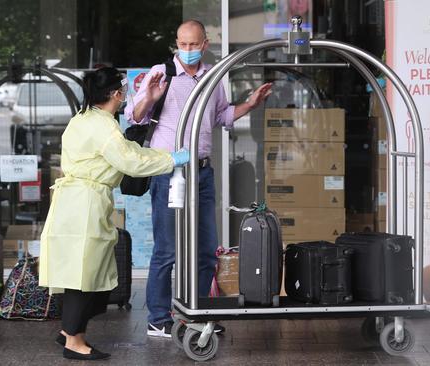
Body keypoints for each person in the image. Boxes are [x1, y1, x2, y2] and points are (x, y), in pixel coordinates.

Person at [123, 19, 273, 338]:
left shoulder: (212, 77)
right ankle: (158, 316)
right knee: (168, 249)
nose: (187, 51)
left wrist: (250, 104)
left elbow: (221, 115)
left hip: (202, 172)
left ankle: (199, 311)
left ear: (205, 44)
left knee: (206, 249)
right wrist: (149, 96)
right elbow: (134, 116)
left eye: (193, 45)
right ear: (176, 43)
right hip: (169, 172)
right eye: (182, 44)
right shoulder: (161, 73)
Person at [39, 67, 190, 361]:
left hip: (72, 203)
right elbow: (131, 161)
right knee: (84, 276)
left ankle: (70, 332)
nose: (125, 96)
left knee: (82, 273)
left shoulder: (82, 119)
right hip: (85, 206)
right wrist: (171, 159)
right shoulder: (104, 127)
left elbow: (127, 152)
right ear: (115, 94)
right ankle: (74, 341)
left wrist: (162, 157)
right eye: (123, 90)